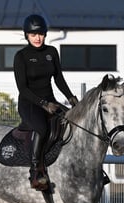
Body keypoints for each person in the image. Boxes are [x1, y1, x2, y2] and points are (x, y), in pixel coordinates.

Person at [13, 14, 78, 191]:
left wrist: (72, 99)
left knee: (74, 123)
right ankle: (36, 172)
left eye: (40, 34)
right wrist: (43, 104)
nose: (37, 38)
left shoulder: (51, 52)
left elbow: (59, 79)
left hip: (51, 102)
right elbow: (22, 89)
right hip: (29, 103)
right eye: (33, 34)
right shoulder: (21, 56)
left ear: (45, 34)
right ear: (26, 35)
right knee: (42, 128)